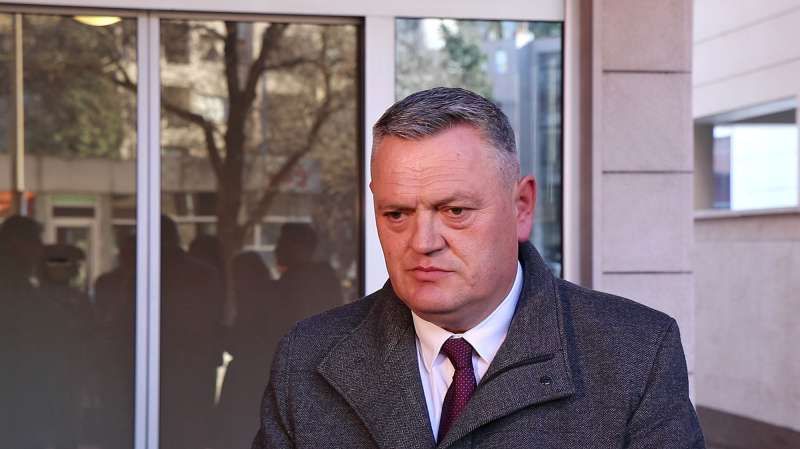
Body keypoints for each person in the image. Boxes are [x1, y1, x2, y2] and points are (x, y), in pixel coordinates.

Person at [251, 87, 705, 448]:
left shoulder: (635, 352)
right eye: (396, 214)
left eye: (455, 211)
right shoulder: (306, 358)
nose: (423, 242)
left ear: (521, 206)